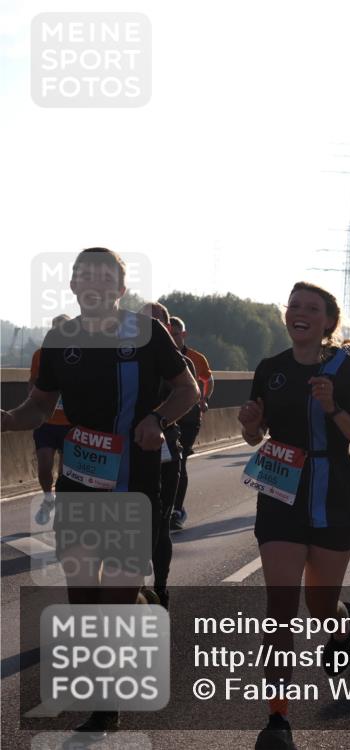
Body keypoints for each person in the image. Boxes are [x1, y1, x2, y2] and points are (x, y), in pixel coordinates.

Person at [1, 248, 199, 735]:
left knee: (112, 602)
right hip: (80, 479)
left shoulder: (146, 333)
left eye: (104, 276)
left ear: (119, 288)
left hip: (135, 480)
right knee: (84, 599)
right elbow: (40, 406)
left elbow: (188, 390)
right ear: (72, 285)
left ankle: (106, 704)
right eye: (84, 275)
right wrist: (6, 420)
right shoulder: (60, 338)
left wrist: (157, 419)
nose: (93, 283)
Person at [238, 281, 350, 750]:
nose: (300, 313)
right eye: (294, 305)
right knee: (280, 610)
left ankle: (341, 621)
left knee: (320, 608)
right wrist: (250, 425)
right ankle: (278, 719)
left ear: (328, 322)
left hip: (334, 493)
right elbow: (255, 437)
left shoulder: (346, 368)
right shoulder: (270, 369)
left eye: (312, 308)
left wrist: (332, 408)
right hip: (281, 494)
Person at [142, 304, 197, 609]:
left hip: (165, 448)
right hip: (129, 449)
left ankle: (160, 588)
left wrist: (160, 422)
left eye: (156, 323)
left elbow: (189, 398)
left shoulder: (181, 363)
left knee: (160, 522)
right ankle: (135, 588)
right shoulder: (122, 358)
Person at [167, 316, 214, 530]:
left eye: (176, 334)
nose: (172, 338)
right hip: (166, 418)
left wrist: (204, 398)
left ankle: (177, 510)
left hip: (189, 418)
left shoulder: (195, 358)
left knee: (180, 459)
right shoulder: (157, 354)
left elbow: (208, 379)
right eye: (169, 333)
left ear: (183, 335)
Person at [29, 314, 72, 525]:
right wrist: (34, 404)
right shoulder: (41, 354)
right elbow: (32, 382)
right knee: (44, 467)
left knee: (65, 474)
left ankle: (62, 514)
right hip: (46, 421)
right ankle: (48, 498)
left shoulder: (77, 354)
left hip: (70, 423)